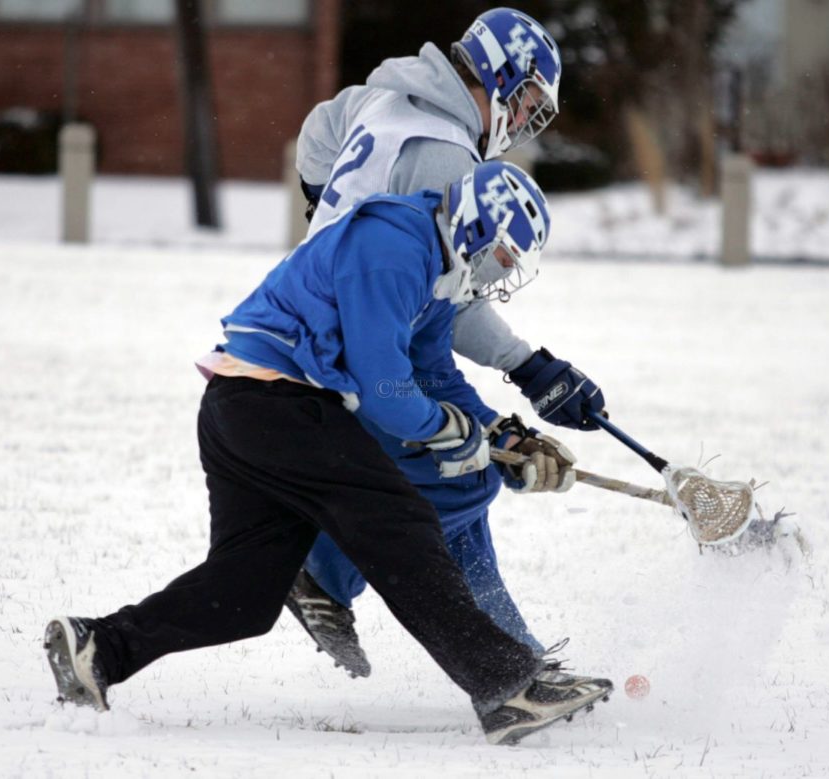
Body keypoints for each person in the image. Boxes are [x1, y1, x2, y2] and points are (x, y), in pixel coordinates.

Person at [44, 161, 613, 746]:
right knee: (402, 521)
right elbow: (382, 386)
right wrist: (454, 433)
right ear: (474, 225)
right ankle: (508, 687)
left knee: (245, 594)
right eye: (504, 253)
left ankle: (100, 649)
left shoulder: (436, 266)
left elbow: (431, 374)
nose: (505, 269)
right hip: (275, 401)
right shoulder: (396, 244)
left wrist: (501, 437)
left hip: (244, 407)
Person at [287, 7, 606, 677]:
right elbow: (450, 294)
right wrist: (528, 366)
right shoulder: (446, 155)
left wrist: (323, 208)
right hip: (350, 346)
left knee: (468, 470)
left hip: (349, 324)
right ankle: (324, 570)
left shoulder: (390, 93)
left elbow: (318, 131)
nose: (521, 121)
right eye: (522, 101)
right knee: (459, 476)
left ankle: (511, 651)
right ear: (494, 74)